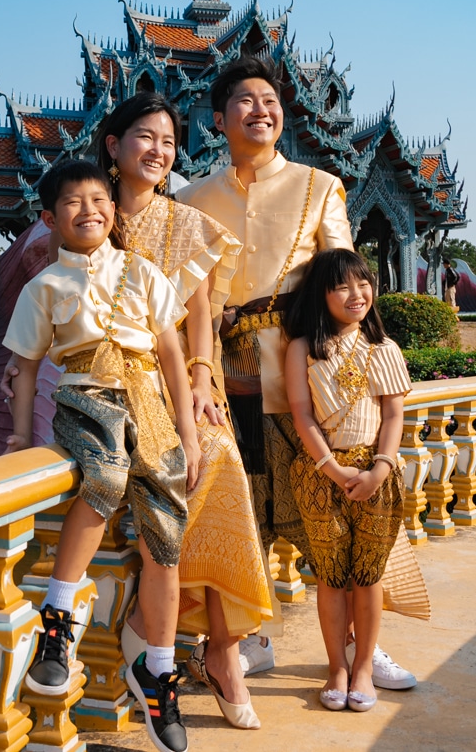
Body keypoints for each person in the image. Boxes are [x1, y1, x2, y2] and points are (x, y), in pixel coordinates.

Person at [174, 54, 417, 691]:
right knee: (241, 508)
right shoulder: (190, 199)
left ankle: (364, 646)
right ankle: (249, 639)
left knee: (338, 508)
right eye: (245, 101)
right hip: (220, 375)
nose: (261, 111)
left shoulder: (319, 185)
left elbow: (344, 280)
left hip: (309, 372)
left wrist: (368, 362)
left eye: (270, 101)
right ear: (218, 118)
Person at [3, 158, 200, 752]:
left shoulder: (143, 272)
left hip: (150, 406)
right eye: (72, 202)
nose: (88, 210)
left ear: (113, 211)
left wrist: (188, 433)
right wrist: (21, 436)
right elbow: (26, 367)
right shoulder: (43, 287)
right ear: (50, 219)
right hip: (86, 395)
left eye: (98, 200)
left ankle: (156, 670)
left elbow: (171, 355)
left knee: (166, 532)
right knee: (106, 477)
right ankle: (57, 623)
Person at [95, 93, 269, 728]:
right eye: (146, 137)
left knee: (218, 459)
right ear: (113, 145)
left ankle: (218, 647)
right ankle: (197, 646)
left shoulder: (187, 223)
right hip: (107, 382)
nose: (159, 151)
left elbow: (200, 318)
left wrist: (200, 382)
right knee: (177, 469)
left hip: (181, 380)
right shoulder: (91, 214)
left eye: (169, 141)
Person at [284, 248, 409, 713]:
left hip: (377, 474)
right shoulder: (302, 348)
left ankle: (363, 668)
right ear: (322, 295)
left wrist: (380, 468)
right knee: (331, 575)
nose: (356, 295)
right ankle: (337, 666)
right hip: (321, 475)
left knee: (367, 575)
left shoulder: (384, 348)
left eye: (363, 284)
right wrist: (332, 469)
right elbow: (301, 414)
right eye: (341, 287)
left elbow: (393, 415)